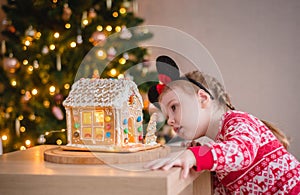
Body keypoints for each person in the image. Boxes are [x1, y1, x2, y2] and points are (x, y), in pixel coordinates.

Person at [145, 55, 300, 194]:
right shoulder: (220, 146)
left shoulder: (238, 120)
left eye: (174, 107)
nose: (170, 120)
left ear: (203, 99)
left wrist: (194, 155)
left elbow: (242, 151)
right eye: (167, 116)